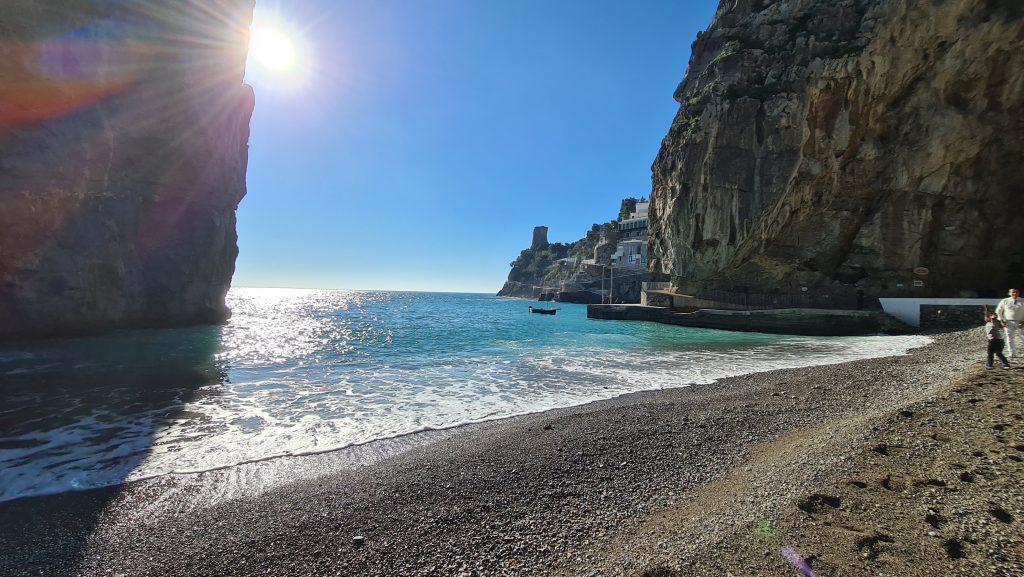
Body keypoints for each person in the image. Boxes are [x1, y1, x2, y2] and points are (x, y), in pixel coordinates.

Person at [995, 288, 1024, 357]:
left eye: (1016, 292)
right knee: (1010, 338)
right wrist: (1001, 320)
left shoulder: (1022, 300)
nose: (1015, 293)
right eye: (1013, 292)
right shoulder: (1005, 301)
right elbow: (998, 311)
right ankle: (1012, 353)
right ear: (1009, 293)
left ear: (1019, 293)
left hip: (1021, 322)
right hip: (1008, 321)